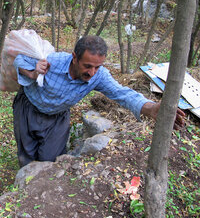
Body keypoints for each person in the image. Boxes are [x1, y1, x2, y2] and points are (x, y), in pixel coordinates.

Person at [12, 35, 185, 167]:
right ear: (74, 57)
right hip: (29, 108)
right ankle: (25, 189)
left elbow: (122, 93)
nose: (92, 72)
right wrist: (32, 72)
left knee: (50, 159)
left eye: (97, 66)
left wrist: (150, 108)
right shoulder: (52, 60)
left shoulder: (99, 76)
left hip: (57, 118)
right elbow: (20, 59)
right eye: (87, 66)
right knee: (27, 155)